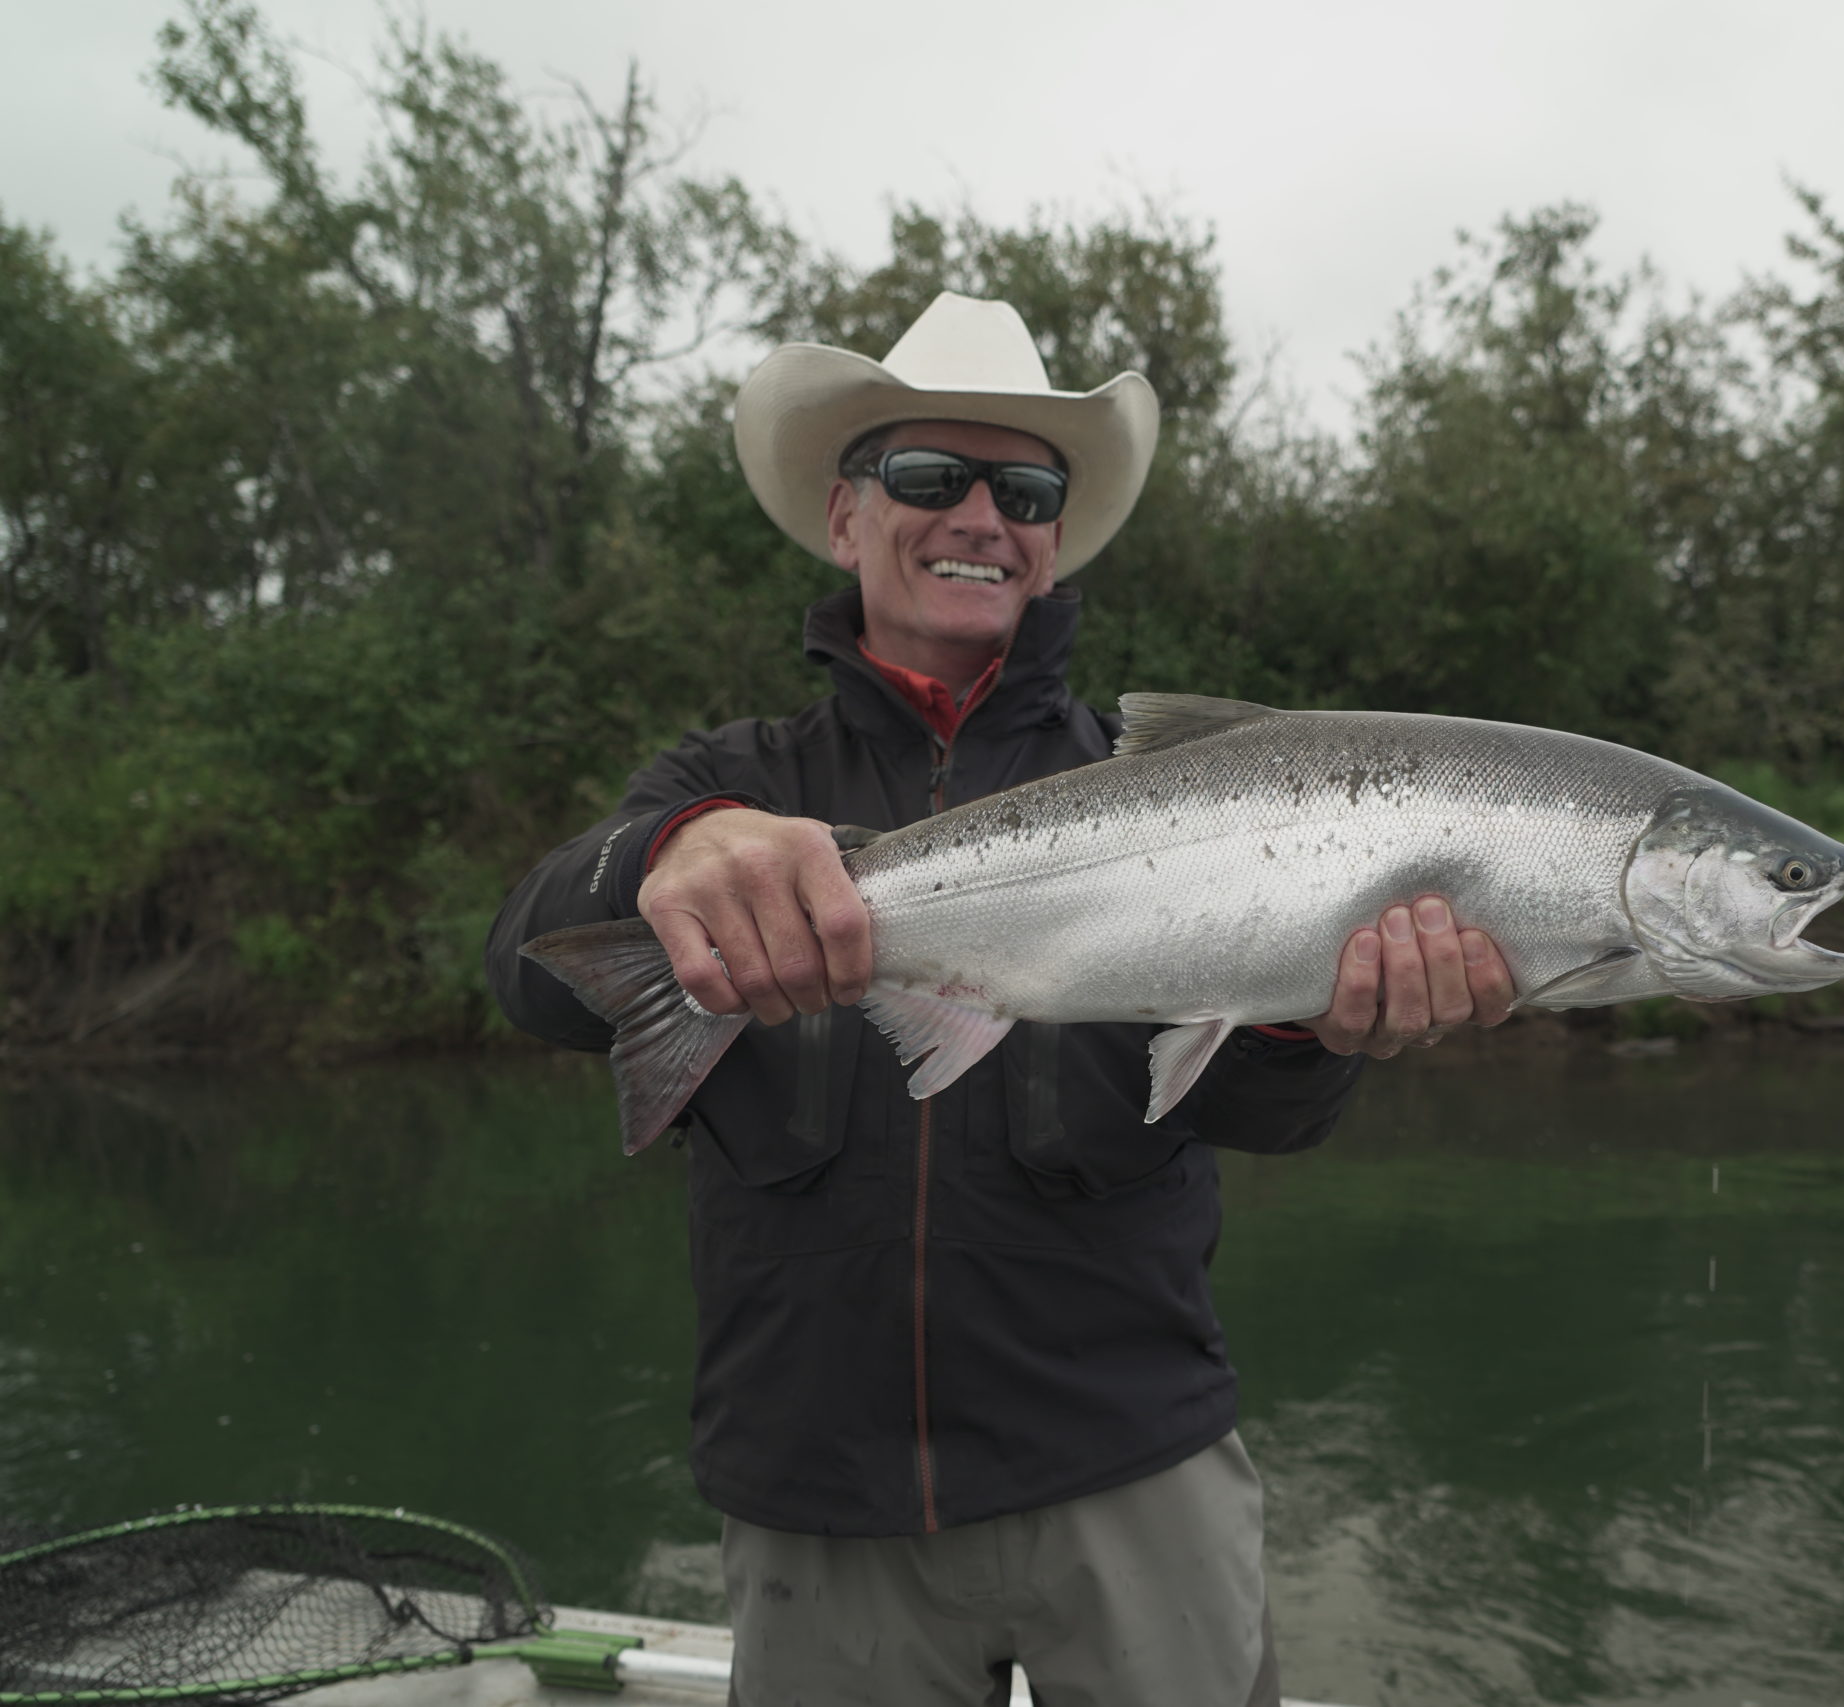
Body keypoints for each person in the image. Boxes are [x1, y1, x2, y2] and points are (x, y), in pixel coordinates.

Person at [485, 293, 1515, 1706]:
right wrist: (663, 857)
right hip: (812, 1494)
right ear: (848, 519)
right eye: (930, 477)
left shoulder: (1188, 791)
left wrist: (1309, 1016)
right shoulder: (726, 781)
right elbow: (527, 974)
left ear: (1048, 540)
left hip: (1132, 1464)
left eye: (1024, 488)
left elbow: (1268, 1112)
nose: (981, 511)